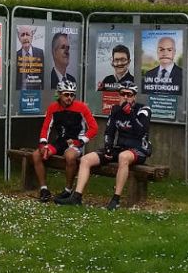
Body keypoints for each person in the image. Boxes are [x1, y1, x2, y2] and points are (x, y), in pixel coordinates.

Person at [57, 81, 152, 209]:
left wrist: (130, 114)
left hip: (139, 148)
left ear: (134, 96)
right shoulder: (115, 109)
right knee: (85, 159)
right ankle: (76, 197)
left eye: (129, 94)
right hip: (120, 147)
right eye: (122, 94)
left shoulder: (144, 110)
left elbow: (141, 132)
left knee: (123, 157)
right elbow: (109, 132)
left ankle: (116, 199)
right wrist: (108, 148)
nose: (125, 97)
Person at [33, 80, 98, 202]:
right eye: (67, 94)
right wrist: (43, 143)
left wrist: (81, 141)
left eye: (72, 95)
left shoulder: (81, 108)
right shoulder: (53, 108)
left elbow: (94, 128)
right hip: (60, 141)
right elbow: (46, 127)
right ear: (59, 94)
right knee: (37, 154)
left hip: (75, 142)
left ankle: (68, 190)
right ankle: (44, 189)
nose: (70, 98)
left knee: (70, 156)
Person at [15, 25, 44, 90]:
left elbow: (42, 76)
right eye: (22, 35)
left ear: (32, 37)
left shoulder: (40, 53)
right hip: (19, 93)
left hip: (36, 94)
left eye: (27, 34)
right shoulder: (15, 55)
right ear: (19, 38)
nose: (25, 38)